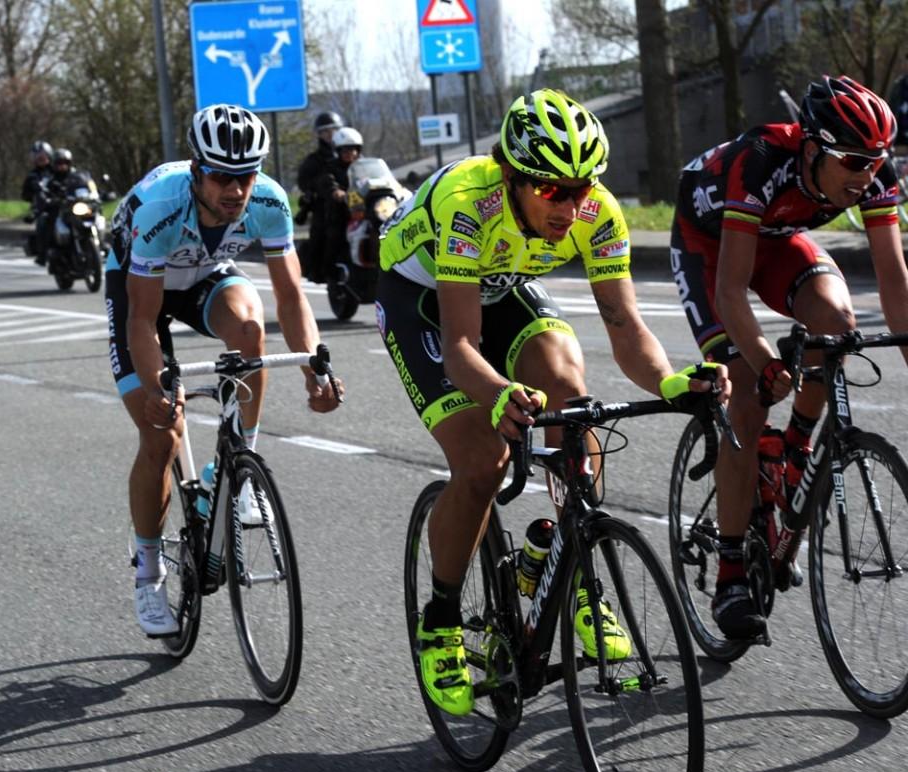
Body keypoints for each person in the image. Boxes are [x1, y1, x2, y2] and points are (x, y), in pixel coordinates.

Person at [377, 88, 729, 716]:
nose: (570, 205)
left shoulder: (596, 211)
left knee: (574, 397)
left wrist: (674, 383)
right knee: (483, 458)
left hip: (501, 286)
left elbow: (624, 325)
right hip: (423, 301)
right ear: (512, 178)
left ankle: (575, 566)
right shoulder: (468, 205)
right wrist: (499, 395)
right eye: (551, 191)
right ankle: (441, 617)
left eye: (582, 187)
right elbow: (460, 344)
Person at [669, 74, 908, 640]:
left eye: (876, 161)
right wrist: (765, 362)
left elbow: (895, 281)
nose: (865, 174)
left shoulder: (873, 174)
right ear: (811, 148)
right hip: (709, 248)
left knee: (837, 325)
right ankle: (730, 575)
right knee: (747, 397)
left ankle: (795, 448)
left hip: (778, 240)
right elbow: (730, 292)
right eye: (851, 161)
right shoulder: (760, 161)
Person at [104, 104, 345, 637]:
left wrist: (315, 366)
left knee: (251, 332)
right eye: (220, 177)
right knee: (161, 435)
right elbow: (143, 320)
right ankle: (148, 571)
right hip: (141, 287)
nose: (235, 191)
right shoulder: (159, 210)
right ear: (196, 171)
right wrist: (158, 389)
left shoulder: (269, 201)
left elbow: (289, 295)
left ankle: (239, 466)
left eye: (245, 177)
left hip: (206, 274)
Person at [295, 111, 344, 281]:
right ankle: (321, 270)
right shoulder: (314, 160)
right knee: (324, 231)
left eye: (334, 130)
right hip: (326, 204)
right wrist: (318, 188)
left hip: (350, 201)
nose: (331, 135)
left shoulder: (349, 152)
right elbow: (303, 181)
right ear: (319, 134)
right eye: (326, 131)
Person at [314, 126, 364, 280]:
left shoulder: (364, 166)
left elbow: (377, 178)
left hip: (364, 211)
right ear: (338, 151)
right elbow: (328, 184)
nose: (351, 153)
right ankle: (332, 273)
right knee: (335, 235)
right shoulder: (331, 168)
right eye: (346, 150)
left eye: (354, 149)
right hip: (341, 213)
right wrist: (338, 193)